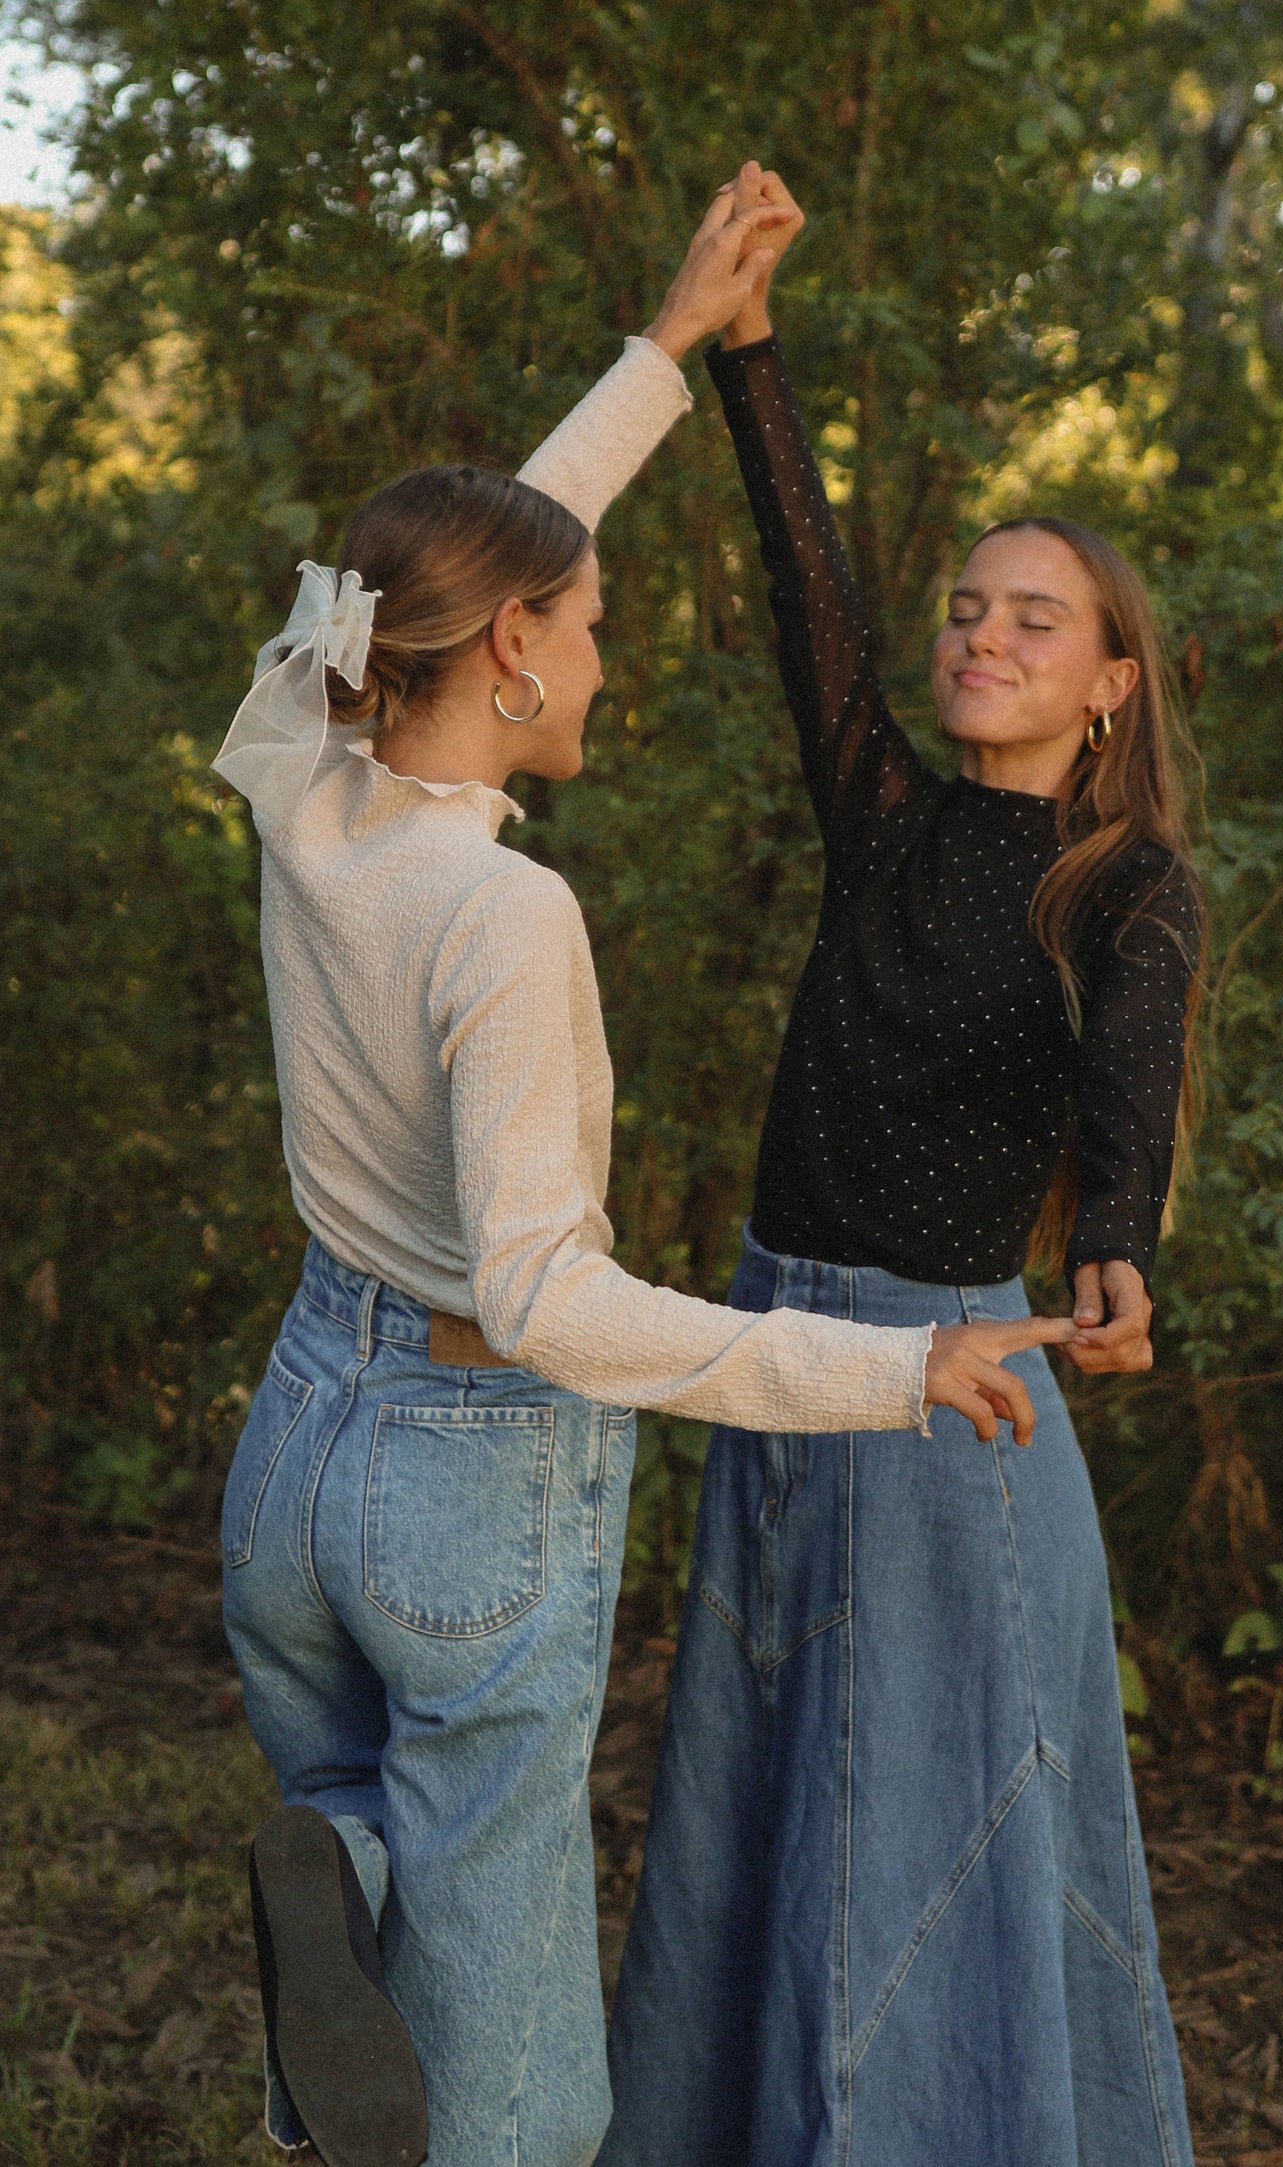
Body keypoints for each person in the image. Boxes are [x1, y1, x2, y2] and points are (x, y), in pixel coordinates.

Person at [211, 174, 1074, 2167]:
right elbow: (551, 1303)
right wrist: (879, 1371)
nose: (608, 661)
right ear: (508, 648)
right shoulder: (502, 919)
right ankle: (374, 1913)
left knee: (358, 1833)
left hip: (303, 1432)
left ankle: (335, 1856)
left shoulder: (301, 764)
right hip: (466, 1468)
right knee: (514, 2100)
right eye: (585, 626)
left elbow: (417, 574)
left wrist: (667, 348)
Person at [600, 168, 1204, 2167]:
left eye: (1038, 619)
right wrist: (749, 342)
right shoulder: (881, 816)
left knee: (923, 1820)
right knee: (776, 1794)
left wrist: (1113, 1243)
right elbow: (810, 586)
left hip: (951, 1402)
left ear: (1110, 683)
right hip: (780, 1359)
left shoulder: (1125, 888)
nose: (985, 635)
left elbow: (1131, 1080)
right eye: (972, 607)